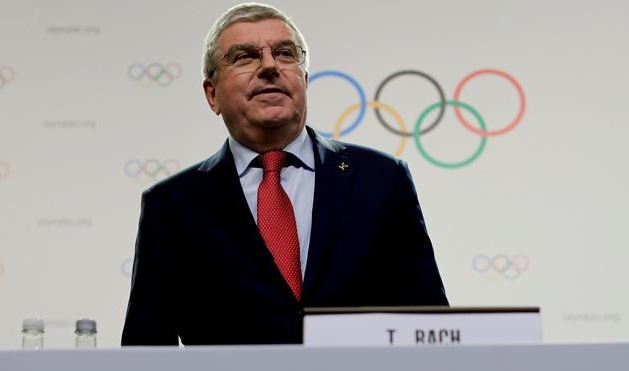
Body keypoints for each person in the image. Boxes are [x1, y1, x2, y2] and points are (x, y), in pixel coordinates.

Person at [122, 3, 448, 345]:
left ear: (304, 80)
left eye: (285, 53)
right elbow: (145, 353)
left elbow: (430, 327)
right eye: (244, 56)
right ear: (212, 94)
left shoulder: (382, 180)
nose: (269, 66)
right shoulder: (172, 206)